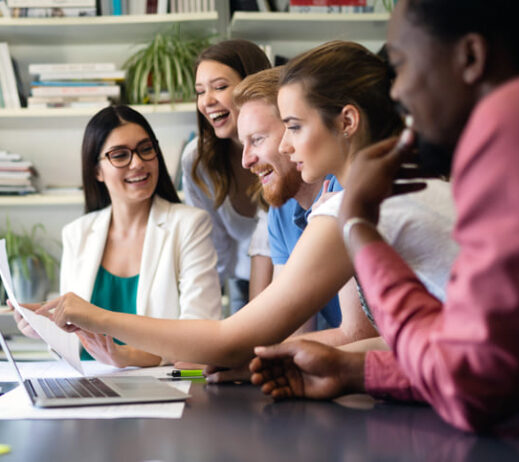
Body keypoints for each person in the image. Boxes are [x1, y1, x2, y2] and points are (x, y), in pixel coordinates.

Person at [31, 40, 453, 372]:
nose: (285, 145)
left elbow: (231, 338)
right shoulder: (399, 182)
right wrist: (330, 367)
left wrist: (94, 316)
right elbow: (415, 334)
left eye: (294, 127)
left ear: (347, 121)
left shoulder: (349, 203)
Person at [250, 0, 519, 433]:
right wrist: (354, 372)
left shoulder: (507, 124)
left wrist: (359, 227)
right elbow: (487, 363)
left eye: (401, 66)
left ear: (471, 57)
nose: (397, 93)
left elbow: (473, 387)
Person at [15, 105, 222, 367]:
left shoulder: (190, 225)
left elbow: (200, 339)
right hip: (89, 386)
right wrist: (47, 328)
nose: (138, 163)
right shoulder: (76, 234)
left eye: (146, 149)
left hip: (163, 386)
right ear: (96, 171)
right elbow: (76, 340)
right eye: (120, 155)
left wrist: (124, 357)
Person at [235, 66, 343, 332]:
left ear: (292, 129)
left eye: (257, 140)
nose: (245, 160)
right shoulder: (281, 212)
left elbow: (361, 333)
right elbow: (291, 326)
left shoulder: (343, 190)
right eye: (243, 144)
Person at [181, 39, 272, 313]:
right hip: (243, 284)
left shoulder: (287, 149)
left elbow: (272, 242)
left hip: (300, 281)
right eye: (200, 91)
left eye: (220, 87)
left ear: (255, 86)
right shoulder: (198, 161)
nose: (207, 101)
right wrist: (196, 318)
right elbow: (212, 249)